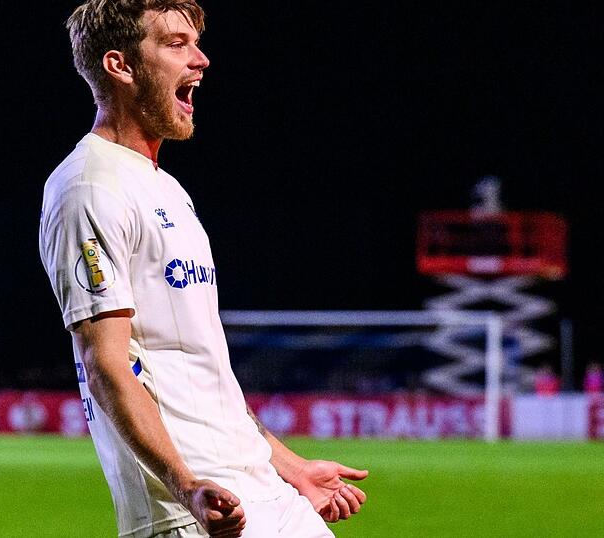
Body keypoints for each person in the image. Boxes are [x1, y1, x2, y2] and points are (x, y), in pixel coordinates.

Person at [39, 2, 367, 537]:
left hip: (265, 491)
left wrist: (291, 468)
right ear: (121, 67)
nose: (201, 59)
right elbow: (106, 365)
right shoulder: (89, 187)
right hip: (197, 510)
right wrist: (185, 485)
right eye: (175, 44)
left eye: (196, 42)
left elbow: (201, 371)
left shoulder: (167, 189)